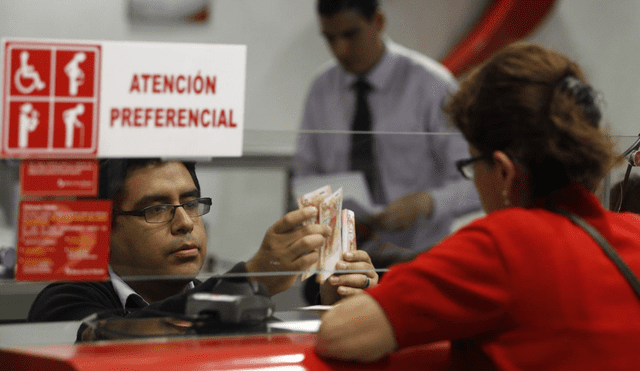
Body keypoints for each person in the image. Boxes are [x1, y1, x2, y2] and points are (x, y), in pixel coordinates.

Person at [315, 42, 640, 368]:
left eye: (471, 164)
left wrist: (365, 303)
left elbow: (340, 336)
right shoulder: (633, 231)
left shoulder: (505, 243)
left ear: (503, 171)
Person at [27, 159, 378, 338]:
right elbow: (118, 340)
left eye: (191, 204)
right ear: (104, 229)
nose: (184, 223)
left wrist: (341, 315)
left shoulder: (243, 313)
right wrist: (252, 278)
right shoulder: (65, 301)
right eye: (157, 209)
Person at [292, 0, 481, 257]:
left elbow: (476, 178)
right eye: (330, 38)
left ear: (378, 22)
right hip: (342, 252)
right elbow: (305, 176)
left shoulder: (431, 85)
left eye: (350, 34)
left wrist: (426, 203)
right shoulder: (321, 89)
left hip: (420, 253)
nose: (341, 49)